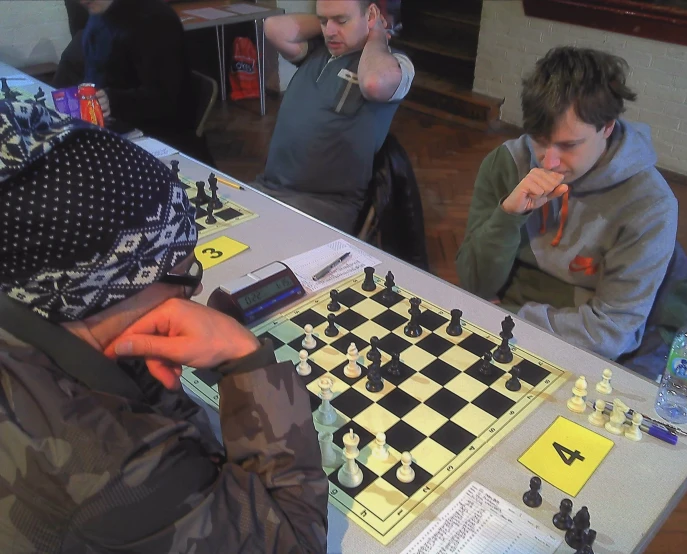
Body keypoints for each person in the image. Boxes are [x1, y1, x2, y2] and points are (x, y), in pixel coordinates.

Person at [0, 100, 328, 553]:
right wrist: (244, 358)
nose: (195, 291)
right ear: (103, 287)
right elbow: (295, 543)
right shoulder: (122, 469)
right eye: (185, 274)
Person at [456, 47, 686, 375]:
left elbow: (610, 333)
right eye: (539, 140)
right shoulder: (506, 163)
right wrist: (507, 217)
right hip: (504, 321)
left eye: (568, 145)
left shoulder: (650, 205)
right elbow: (474, 284)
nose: (548, 162)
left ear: (607, 127)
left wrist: (507, 319)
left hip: (574, 351)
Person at [254, 0, 415, 233]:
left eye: (341, 20)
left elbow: (373, 83)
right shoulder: (318, 50)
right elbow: (273, 27)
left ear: (371, 14)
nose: (329, 31)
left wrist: (377, 32)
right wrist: (332, 21)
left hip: (324, 205)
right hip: (267, 188)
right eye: (323, 21)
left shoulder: (394, 63)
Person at [53, 0, 213, 165]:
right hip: (113, 128)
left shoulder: (154, 19)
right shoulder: (99, 13)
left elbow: (168, 101)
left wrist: (113, 101)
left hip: (159, 140)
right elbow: (84, 67)